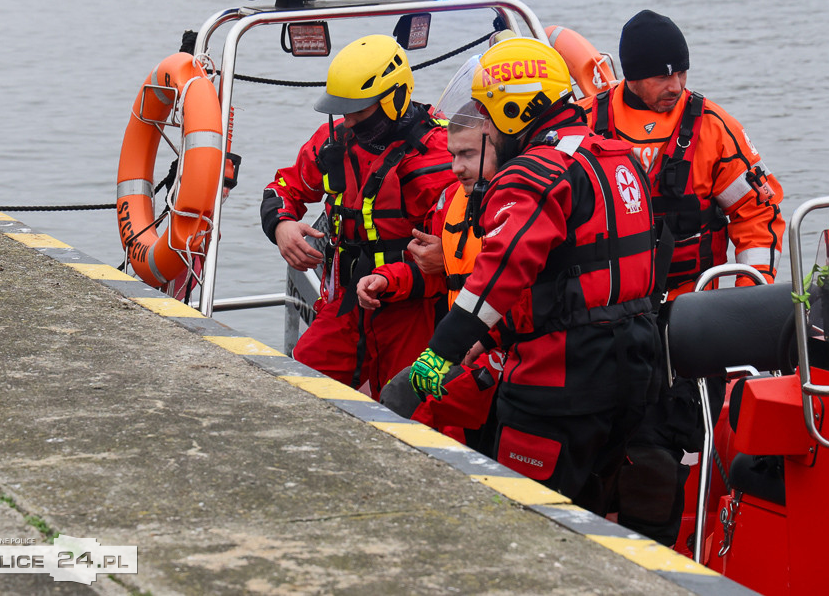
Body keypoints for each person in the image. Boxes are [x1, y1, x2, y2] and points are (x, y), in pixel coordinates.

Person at [407, 37, 662, 513]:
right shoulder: (617, 155)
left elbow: (503, 269)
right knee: (594, 512)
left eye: (487, 109)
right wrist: (489, 339)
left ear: (511, 109)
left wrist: (442, 351)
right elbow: (589, 272)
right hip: (635, 370)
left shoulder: (533, 171)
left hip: (562, 382)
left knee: (523, 515)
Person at [586, 10, 785, 546]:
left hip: (684, 317)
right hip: (601, 317)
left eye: (682, 73)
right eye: (662, 75)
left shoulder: (711, 129)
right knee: (592, 440)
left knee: (657, 452)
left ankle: (655, 550)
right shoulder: (586, 124)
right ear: (631, 74)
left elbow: (757, 217)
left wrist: (745, 304)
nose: (675, 86)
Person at [260, 34, 456, 398]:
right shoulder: (333, 140)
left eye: (360, 112)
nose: (348, 121)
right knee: (298, 387)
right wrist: (283, 225)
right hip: (347, 303)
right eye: (343, 109)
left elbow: (450, 260)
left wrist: (390, 279)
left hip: (413, 309)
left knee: (416, 408)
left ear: (395, 98)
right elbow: (283, 187)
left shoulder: (441, 157)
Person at [357, 84, 504, 447]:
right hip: (462, 350)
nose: (457, 168)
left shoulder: (518, 203)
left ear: (498, 145)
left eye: (468, 155)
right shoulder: (451, 202)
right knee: (398, 402)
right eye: (453, 155)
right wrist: (385, 279)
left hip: (500, 353)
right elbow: (434, 274)